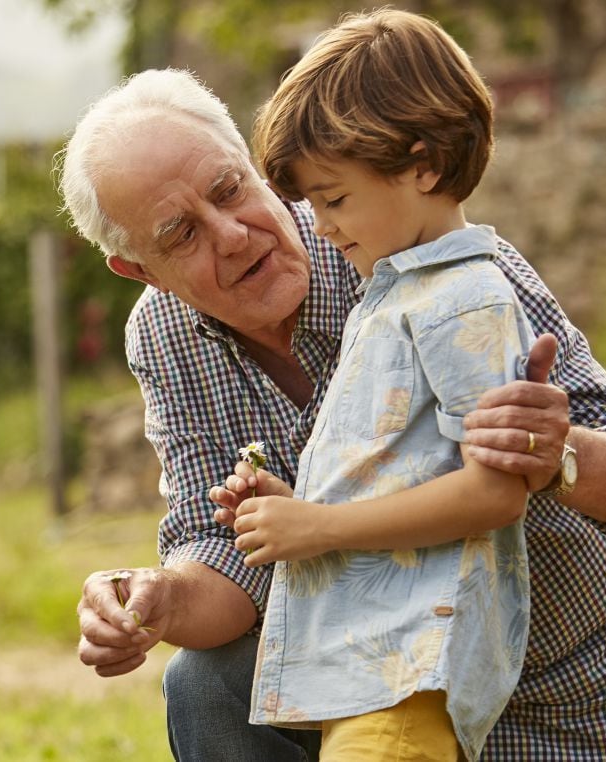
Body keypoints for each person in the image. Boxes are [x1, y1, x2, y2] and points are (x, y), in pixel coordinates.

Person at [59, 63, 606, 761]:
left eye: (229, 190)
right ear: (141, 270)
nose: (232, 235)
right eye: (181, 234)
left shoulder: (412, 244)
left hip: (581, 687)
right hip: (386, 685)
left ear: (252, 164)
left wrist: (555, 456)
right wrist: (158, 599)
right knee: (205, 684)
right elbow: (225, 550)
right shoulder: (163, 335)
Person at [209, 10, 540, 760]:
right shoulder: (395, 294)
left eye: (334, 199)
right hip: (369, 672)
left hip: (406, 677)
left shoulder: (466, 298)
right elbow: (402, 471)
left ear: (424, 166)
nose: (321, 227)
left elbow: (496, 493)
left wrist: (318, 530)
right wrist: (295, 508)